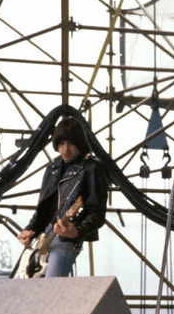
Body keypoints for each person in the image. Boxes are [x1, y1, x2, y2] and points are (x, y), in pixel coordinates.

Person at [17, 117, 109, 277]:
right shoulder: (53, 168)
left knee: (51, 288)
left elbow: (97, 212)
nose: (65, 148)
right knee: (29, 290)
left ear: (80, 143)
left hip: (66, 239)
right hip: (43, 237)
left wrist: (77, 232)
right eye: (61, 143)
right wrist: (30, 230)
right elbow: (43, 209)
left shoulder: (92, 168)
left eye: (71, 143)